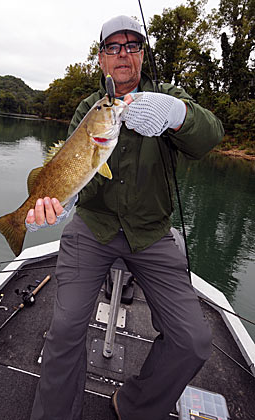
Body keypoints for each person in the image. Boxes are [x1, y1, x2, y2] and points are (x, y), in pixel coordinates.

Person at [27, 15, 224, 420]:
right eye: (112, 47)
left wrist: (178, 115)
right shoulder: (90, 108)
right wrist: (59, 201)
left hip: (152, 234)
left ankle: (135, 405)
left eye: (132, 46)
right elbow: (73, 168)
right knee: (63, 331)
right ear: (100, 59)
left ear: (141, 55)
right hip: (92, 228)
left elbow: (210, 136)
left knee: (193, 340)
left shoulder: (168, 95)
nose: (122, 54)